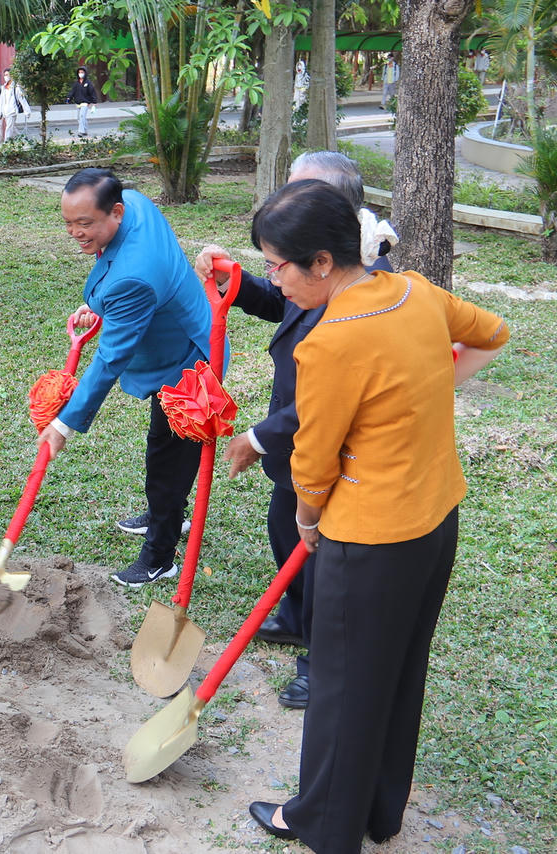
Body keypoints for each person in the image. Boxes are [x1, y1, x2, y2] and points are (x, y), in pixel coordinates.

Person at [244, 180, 508, 853]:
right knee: (397, 669)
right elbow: (492, 333)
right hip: (435, 521)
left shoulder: (331, 341)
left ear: (322, 262)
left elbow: (312, 465)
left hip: (367, 540)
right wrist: (427, 390)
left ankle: (323, 824)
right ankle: (380, 810)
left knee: (340, 687)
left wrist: (307, 522)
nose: (274, 281)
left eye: (278, 266)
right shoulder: (416, 292)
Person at [195, 150, 399, 711]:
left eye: (299, 194)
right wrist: (236, 281)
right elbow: (284, 304)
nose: (285, 203)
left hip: (332, 450)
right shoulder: (312, 268)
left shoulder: (364, 290)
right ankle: (295, 617)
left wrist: (258, 436)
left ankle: (321, 658)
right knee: (285, 529)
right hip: (297, 442)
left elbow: (326, 397)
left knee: (324, 560)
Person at [38, 168, 213, 587]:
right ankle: (162, 514)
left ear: (115, 212)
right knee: (162, 448)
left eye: (85, 223)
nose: (75, 233)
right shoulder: (135, 203)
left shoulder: (134, 276)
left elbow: (110, 358)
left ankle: (160, 556)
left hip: (189, 362)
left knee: (170, 458)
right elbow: (121, 282)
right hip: (178, 328)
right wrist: (102, 306)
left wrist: (64, 423)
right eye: (68, 223)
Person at [0, 69, 31, 143]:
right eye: (5, 75)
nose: (5, 76)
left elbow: (22, 100)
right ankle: (23, 139)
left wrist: (27, 111)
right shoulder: (3, 88)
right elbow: (1, 101)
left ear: (11, 76)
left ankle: (6, 143)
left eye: (7, 75)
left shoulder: (16, 88)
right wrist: (0, 112)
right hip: (5, 112)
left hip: (12, 111)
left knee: (9, 128)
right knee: (12, 128)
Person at [67, 66, 98, 137]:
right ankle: (85, 131)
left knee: (82, 116)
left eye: (82, 72)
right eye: (79, 72)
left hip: (85, 103)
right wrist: (69, 98)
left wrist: (94, 103)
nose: (80, 74)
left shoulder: (88, 83)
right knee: (79, 118)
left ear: (85, 73)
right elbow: (72, 91)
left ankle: (81, 131)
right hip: (78, 103)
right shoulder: (76, 83)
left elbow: (92, 92)